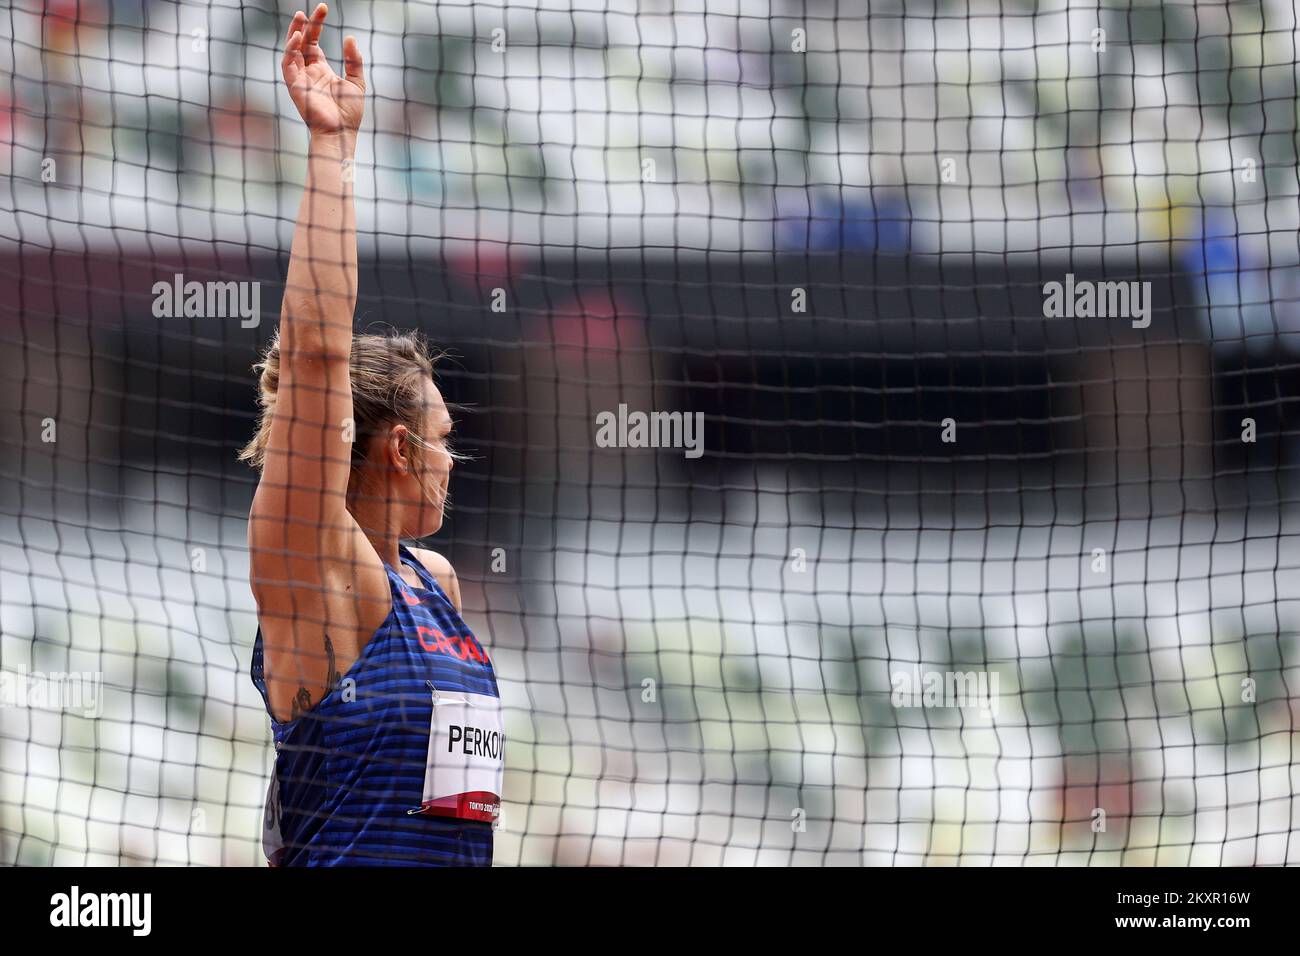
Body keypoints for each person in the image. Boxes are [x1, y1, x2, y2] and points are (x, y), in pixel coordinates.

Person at [240, 4, 502, 866]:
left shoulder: (438, 583)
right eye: (445, 439)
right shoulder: (314, 564)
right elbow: (316, 354)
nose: (454, 462)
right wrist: (331, 147)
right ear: (398, 449)